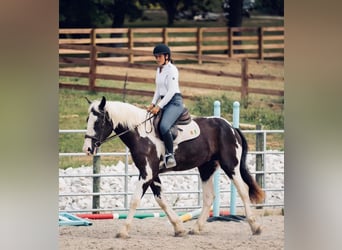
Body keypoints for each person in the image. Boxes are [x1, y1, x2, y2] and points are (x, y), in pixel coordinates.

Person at [147, 44, 184, 169]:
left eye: (159, 56)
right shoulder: (159, 70)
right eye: (156, 56)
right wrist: (152, 103)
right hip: (164, 101)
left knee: (163, 126)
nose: (157, 59)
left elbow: (172, 91)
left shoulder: (172, 69)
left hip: (174, 102)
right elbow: (158, 89)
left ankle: (170, 155)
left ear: (167, 56)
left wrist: (159, 106)